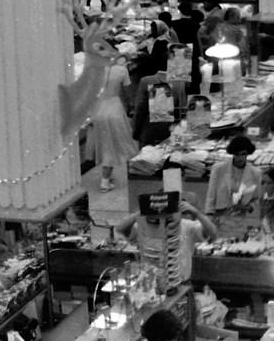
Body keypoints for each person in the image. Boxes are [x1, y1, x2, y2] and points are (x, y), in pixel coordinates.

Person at [116, 192, 217, 283]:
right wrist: (142, 210)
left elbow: (213, 233)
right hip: (152, 285)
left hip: (181, 284)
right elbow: (120, 228)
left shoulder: (186, 226)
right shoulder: (143, 227)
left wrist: (197, 213)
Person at [86, 58, 138, 192]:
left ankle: (108, 175)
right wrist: (131, 107)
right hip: (115, 109)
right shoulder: (122, 70)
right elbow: (127, 93)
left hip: (98, 110)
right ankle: (105, 180)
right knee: (114, 146)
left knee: (104, 145)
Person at [205, 135, 264, 233]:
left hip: (242, 219)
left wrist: (249, 207)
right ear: (233, 154)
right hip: (220, 218)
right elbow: (211, 195)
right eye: (237, 154)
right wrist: (209, 217)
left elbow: (257, 198)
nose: (240, 158)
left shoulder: (256, 173)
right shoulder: (219, 169)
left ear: (248, 154)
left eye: (243, 154)